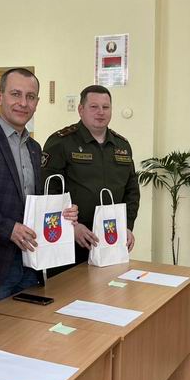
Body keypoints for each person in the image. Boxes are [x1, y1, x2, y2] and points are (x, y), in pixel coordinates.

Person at [0, 68, 77, 304]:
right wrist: (7, 228)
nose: (23, 103)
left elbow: (34, 202)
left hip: (31, 262)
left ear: (37, 103)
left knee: (29, 325)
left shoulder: (34, 148)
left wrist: (62, 213)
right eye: (15, 94)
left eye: (30, 97)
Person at [41, 85, 139, 273]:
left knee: (110, 286)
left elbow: (132, 191)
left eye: (106, 107)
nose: (101, 112)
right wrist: (72, 227)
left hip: (111, 237)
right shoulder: (61, 142)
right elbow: (48, 192)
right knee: (69, 289)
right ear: (81, 109)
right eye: (94, 107)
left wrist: (127, 226)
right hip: (72, 240)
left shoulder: (122, 145)